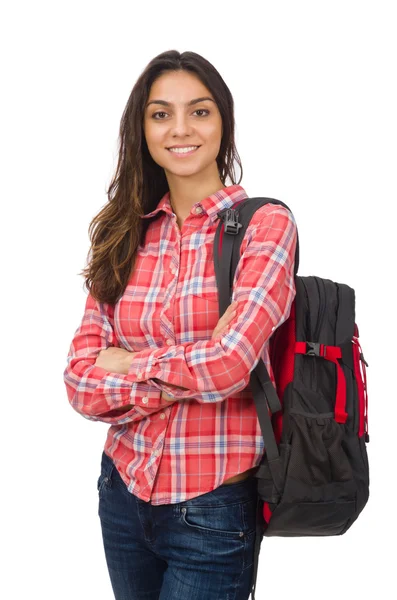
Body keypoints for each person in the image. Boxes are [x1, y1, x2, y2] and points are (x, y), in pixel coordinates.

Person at [63, 49, 297, 600]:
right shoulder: (124, 232)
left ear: (223, 123)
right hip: (120, 493)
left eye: (200, 111)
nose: (181, 129)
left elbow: (230, 367)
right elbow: (78, 380)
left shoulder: (265, 226)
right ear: (141, 129)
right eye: (161, 114)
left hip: (212, 509)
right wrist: (192, 368)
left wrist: (127, 364)